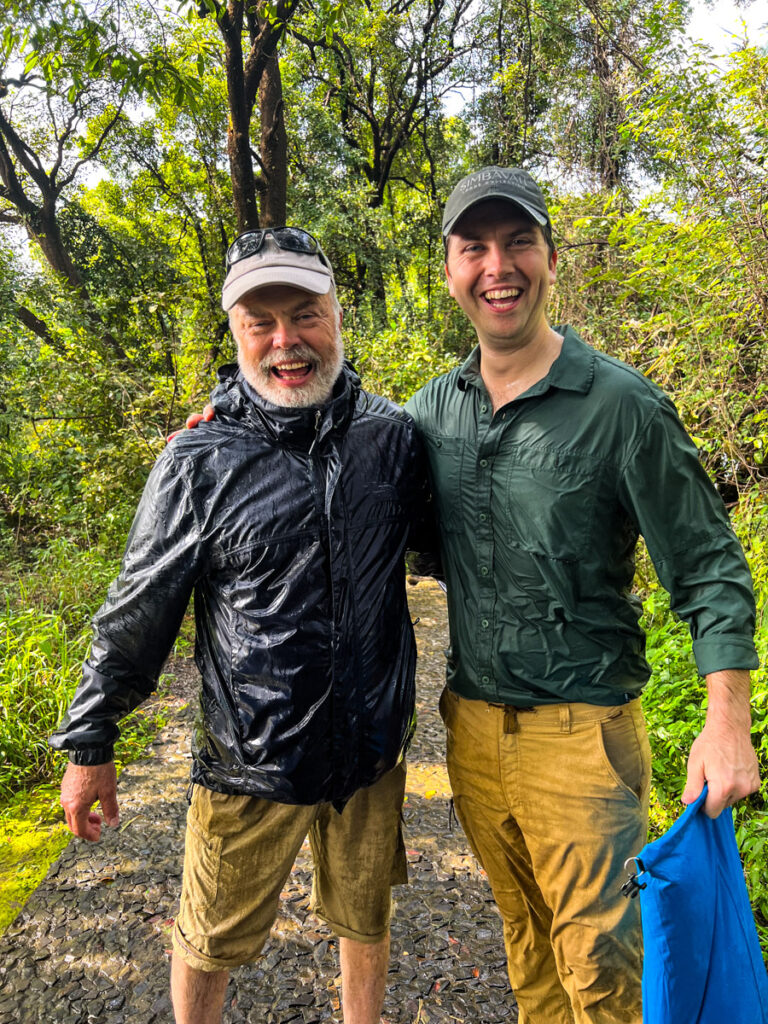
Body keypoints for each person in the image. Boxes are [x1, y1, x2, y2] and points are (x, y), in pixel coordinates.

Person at [403, 166, 761, 1023]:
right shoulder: (429, 415)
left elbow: (710, 565)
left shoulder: (622, 407)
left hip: (583, 739)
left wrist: (728, 721)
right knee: (527, 950)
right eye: (475, 247)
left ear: (550, 258)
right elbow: (353, 498)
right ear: (450, 271)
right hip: (475, 733)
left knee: (603, 974)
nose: (499, 265)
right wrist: (232, 431)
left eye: (518, 241)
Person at [50, 226, 432, 1024]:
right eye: (261, 322)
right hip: (250, 760)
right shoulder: (198, 460)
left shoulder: (392, 439)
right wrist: (91, 740)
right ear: (234, 332)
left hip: (369, 753)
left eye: (304, 314)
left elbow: (454, 545)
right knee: (209, 939)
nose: (285, 342)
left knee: (365, 920)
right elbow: (138, 607)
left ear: (336, 312)